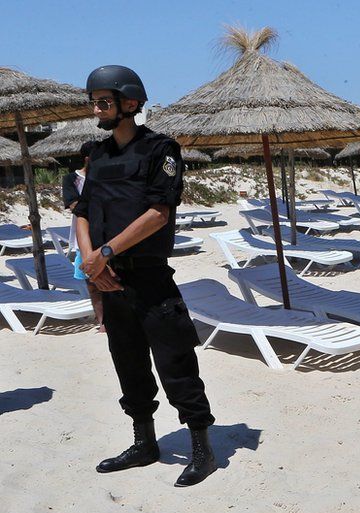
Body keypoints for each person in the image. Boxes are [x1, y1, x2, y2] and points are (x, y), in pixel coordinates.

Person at [74, 65, 217, 487]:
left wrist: (106, 252)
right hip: (108, 279)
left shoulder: (161, 150)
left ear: (130, 103)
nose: (97, 108)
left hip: (150, 278)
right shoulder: (96, 154)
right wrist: (91, 261)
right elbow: (81, 213)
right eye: (94, 101)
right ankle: (144, 444)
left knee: (176, 364)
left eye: (105, 101)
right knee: (128, 364)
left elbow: (159, 213)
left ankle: (201, 449)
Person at [62, 140, 104, 331]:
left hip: (106, 234)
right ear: (88, 159)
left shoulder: (107, 178)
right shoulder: (72, 179)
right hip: (83, 236)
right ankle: (103, 321)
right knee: (92, 284)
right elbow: (72, 204)